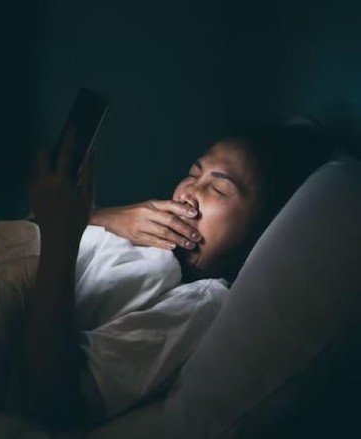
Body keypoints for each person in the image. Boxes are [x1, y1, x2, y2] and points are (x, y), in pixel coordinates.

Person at [21, 121, 332, 429]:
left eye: (219, 189)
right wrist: (105, 218)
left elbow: (51, 403)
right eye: (193, 174)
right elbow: (27, 232)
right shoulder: (133, 231)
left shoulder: (202, 302)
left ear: (262, 233)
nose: (188, 193)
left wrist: (61, 236)